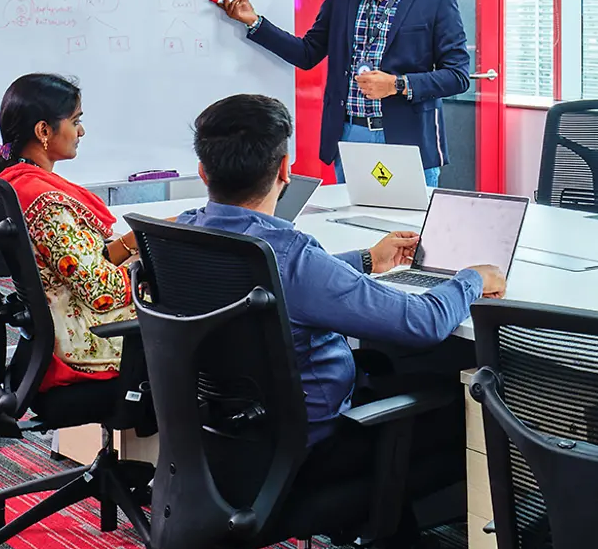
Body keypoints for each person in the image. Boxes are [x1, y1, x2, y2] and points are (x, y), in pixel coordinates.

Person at [177, 94, 505, 463]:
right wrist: (472, 278)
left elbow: (285, 278)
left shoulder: (185, 233)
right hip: (316, 442)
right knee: (454, 407)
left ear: (203, 172)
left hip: (232, 432)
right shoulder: (290, 255)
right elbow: (423, 322)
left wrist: (366, 259)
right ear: (286, 169)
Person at [212, 0, 471, 187]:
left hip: (408, 138)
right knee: (354, 226)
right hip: (350, 134)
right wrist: (254, 22)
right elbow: (308, 52)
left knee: (411, 229)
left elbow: (457, 76)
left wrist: (398, 84)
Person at [0, 74, 134, 391]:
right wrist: (153, 266)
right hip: (80, 345)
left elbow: (77, 262)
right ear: (44, 131)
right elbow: (101, 293)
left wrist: (132, 243)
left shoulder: (17, 181)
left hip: (58, 328)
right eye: (75, 121)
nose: (81, 131)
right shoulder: (47, 204)